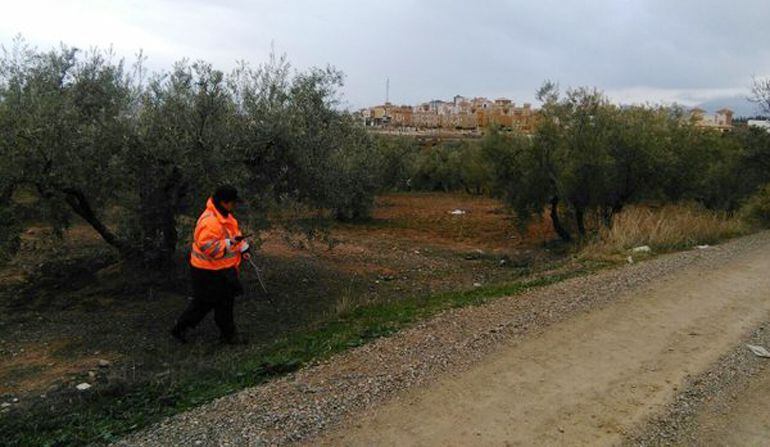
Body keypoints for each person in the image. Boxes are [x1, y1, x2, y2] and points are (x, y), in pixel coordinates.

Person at [171, 185, 250, 344]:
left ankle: (228, 335)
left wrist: (243, 249)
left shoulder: (226, 217)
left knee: (225, 303)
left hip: (224, 270)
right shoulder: (210, 222)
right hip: (206, 272)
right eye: (232, 202)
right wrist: (230, 243)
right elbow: (210, 249)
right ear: (223, 202)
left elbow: (236, 236)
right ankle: (180, 329)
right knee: (203, 304)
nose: (234, 206)